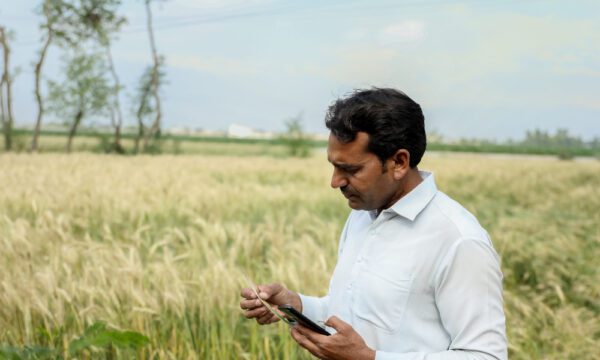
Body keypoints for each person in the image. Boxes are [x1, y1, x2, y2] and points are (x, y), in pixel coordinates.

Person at [240, 88, 507, 360]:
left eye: (351, 169)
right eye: (333, 166)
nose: (335, 182)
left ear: (399, 162)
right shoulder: (361, 216)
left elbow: (486, 356)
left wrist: (368, 358)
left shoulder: (459, 240)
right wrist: (296, 304)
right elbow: (351, 310)